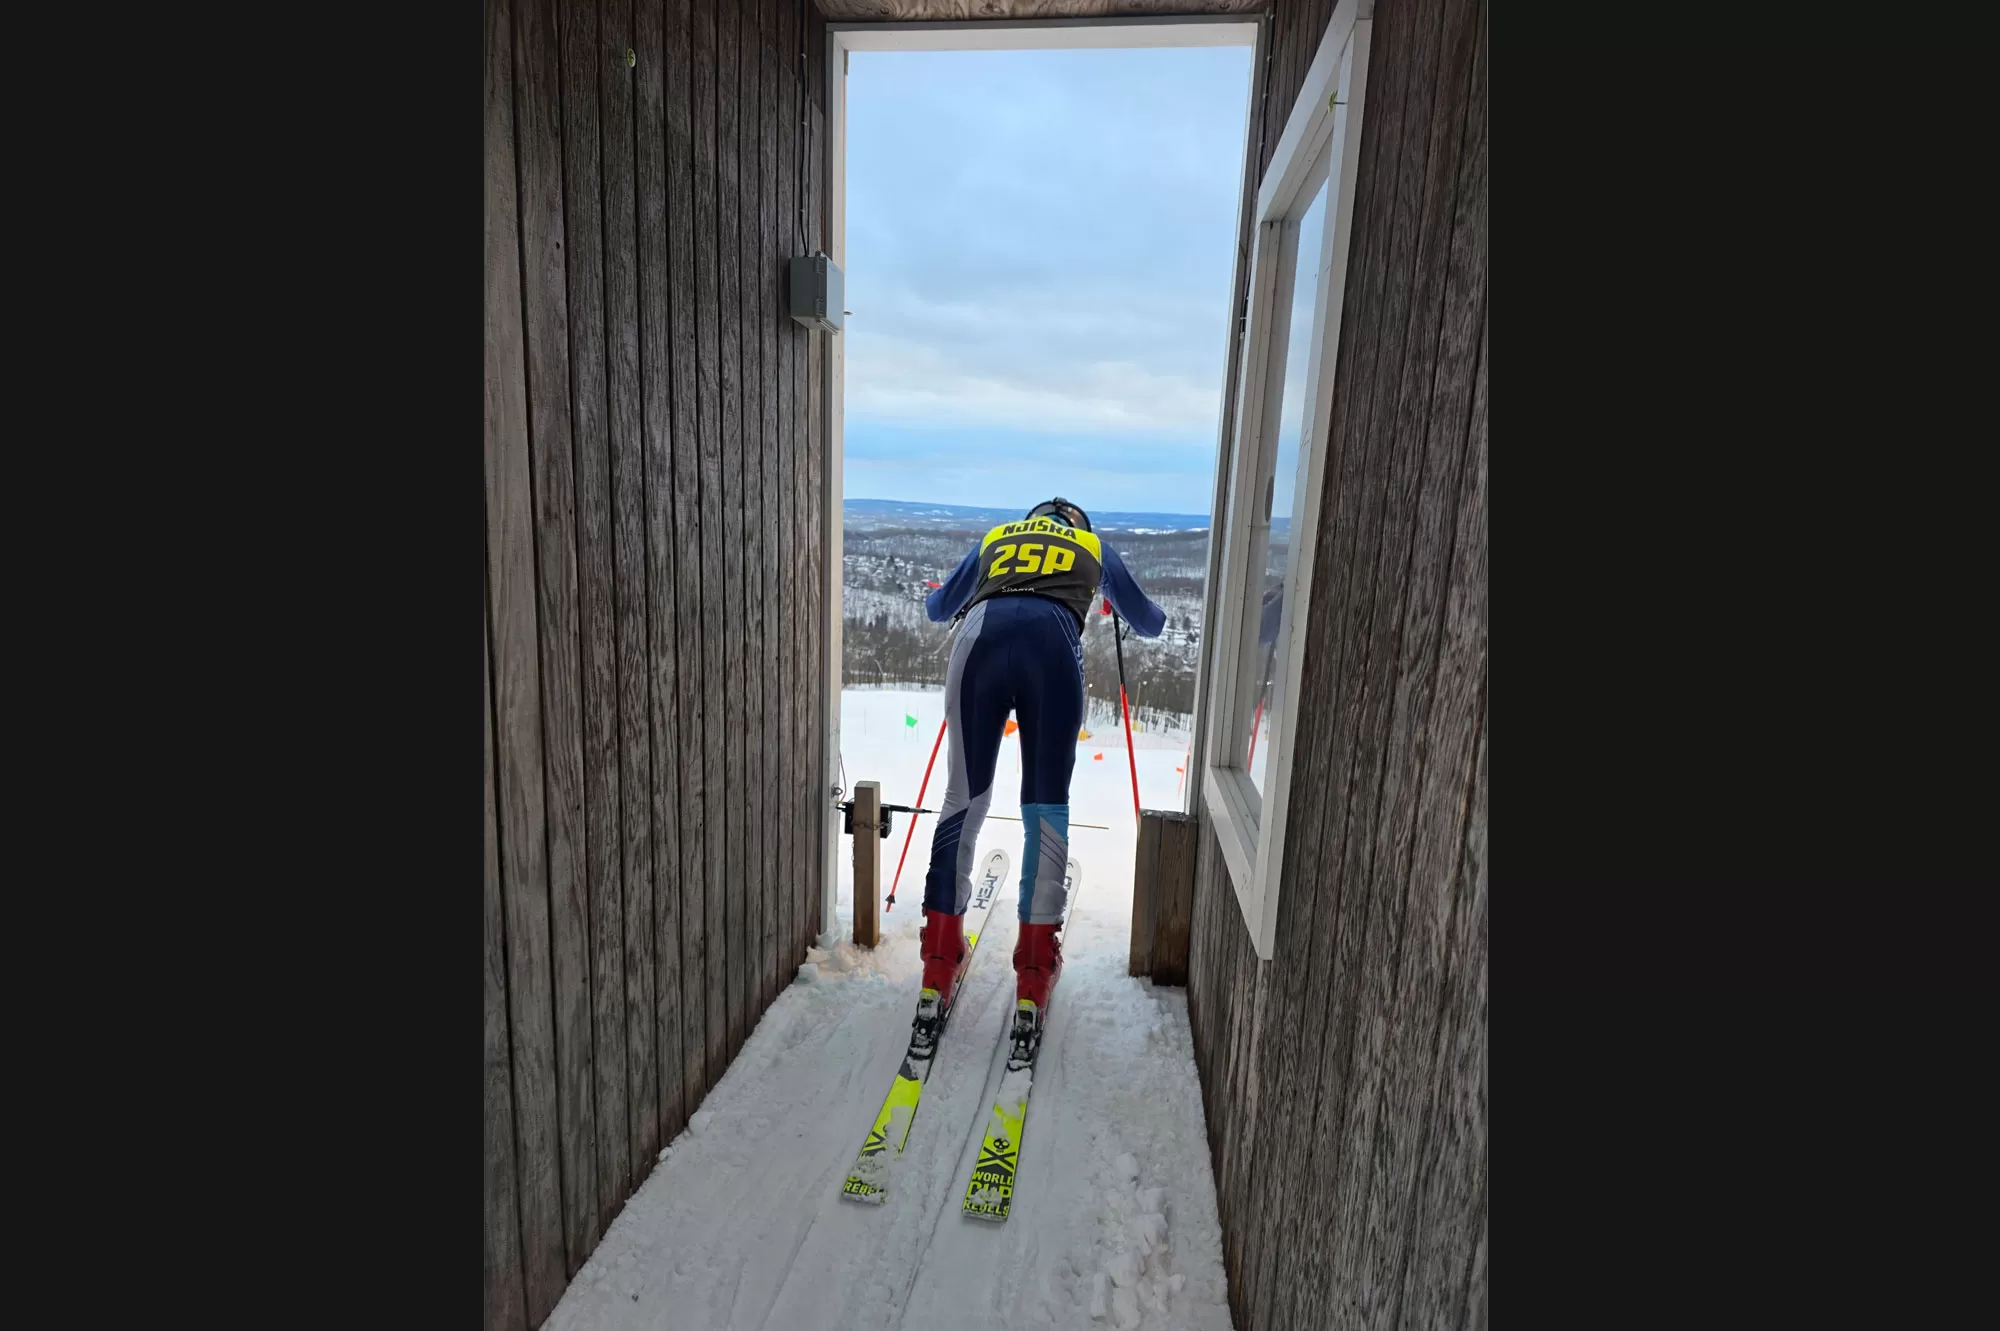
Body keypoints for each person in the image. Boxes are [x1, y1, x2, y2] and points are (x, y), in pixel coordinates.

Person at [916, 497, 1166, 1038]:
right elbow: (1149, 621)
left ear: (1032, 521)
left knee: (963, 798)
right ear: (1077, 526)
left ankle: (938, 954)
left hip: (978, 641)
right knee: (1046, 806)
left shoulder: (996, 537)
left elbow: (938, 609)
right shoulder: (1092, 546)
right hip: (1052, 647)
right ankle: (1033, 969)